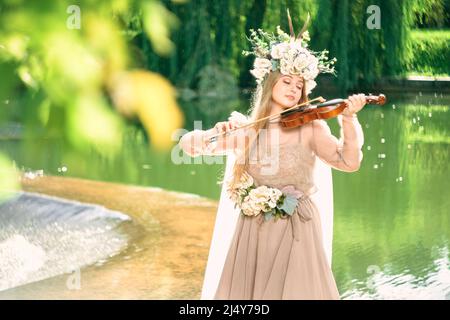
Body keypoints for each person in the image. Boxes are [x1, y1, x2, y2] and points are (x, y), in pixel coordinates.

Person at [178, 11, 365, 300]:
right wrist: (212, 132)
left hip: (297, 228)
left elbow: (348, 162)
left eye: (299, 84)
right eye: (286, 82)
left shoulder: (311, 126)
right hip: (254, 230)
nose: (293, 89)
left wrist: (348, 120)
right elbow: (187, 145)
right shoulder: (247, 129)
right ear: (271, 83)